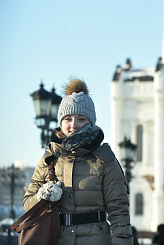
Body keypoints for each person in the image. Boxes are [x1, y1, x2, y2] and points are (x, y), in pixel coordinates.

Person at [23, 78, 133, 244]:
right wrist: (42, 196)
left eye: (81, 119)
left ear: (90, 122)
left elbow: (119, 211)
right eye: (68, 119)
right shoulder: (50, 156)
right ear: (61, 122)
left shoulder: (104, 159)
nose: (73, 125)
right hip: (56, 238)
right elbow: (27, 204)